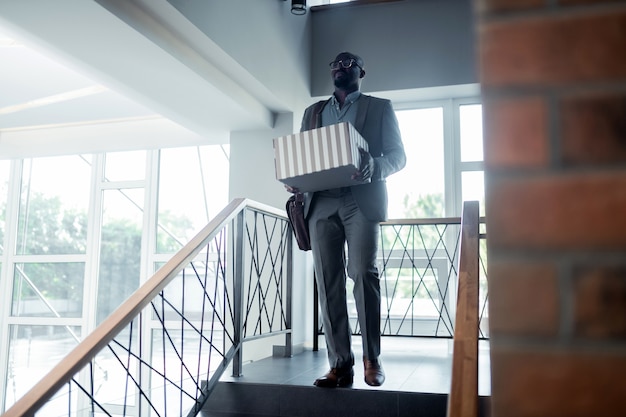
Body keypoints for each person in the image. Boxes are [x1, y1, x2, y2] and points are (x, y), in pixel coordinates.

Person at [288, 52, 406, 388]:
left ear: (360, 71)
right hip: (320, 202)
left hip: (361, 200)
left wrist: (376, 167)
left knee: (363, 274)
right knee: (328, 284)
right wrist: (295, 177)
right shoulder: (314, 113)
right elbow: (304, 156)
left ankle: (372, 359)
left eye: (348, 64)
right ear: (331, 73)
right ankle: (340, 364)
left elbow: (399, 156)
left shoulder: (379, 107)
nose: (340, 68)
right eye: (335, 65)